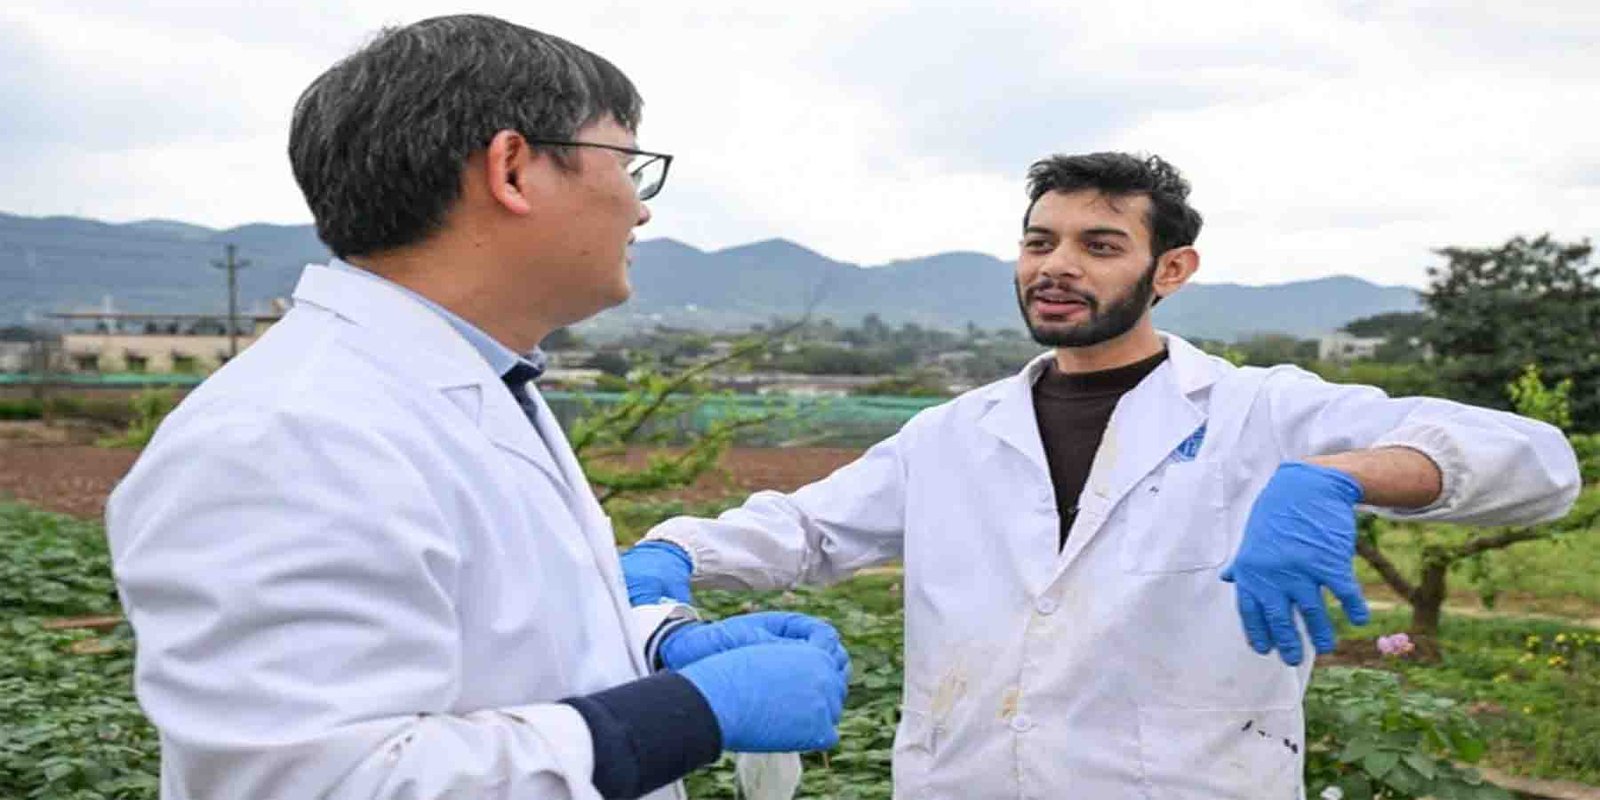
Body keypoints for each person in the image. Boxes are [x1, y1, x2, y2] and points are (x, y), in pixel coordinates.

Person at [619, 152, 1582, 797]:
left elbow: (1538, 464)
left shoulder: (1260, 412)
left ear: (1171, 270)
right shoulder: (955, 433)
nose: (1057, 266)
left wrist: (1333, 477)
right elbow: (809, 529)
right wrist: (671, 552)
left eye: (1099, 245)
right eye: (1040, 242)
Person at [105, 15, 848, 800]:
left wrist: (656, 648)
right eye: (630, 165)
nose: (641, 209)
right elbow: (314, 781)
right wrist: (681, 714)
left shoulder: (469, 382)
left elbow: (494, 644)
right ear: (513, 168)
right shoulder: (285, 434)